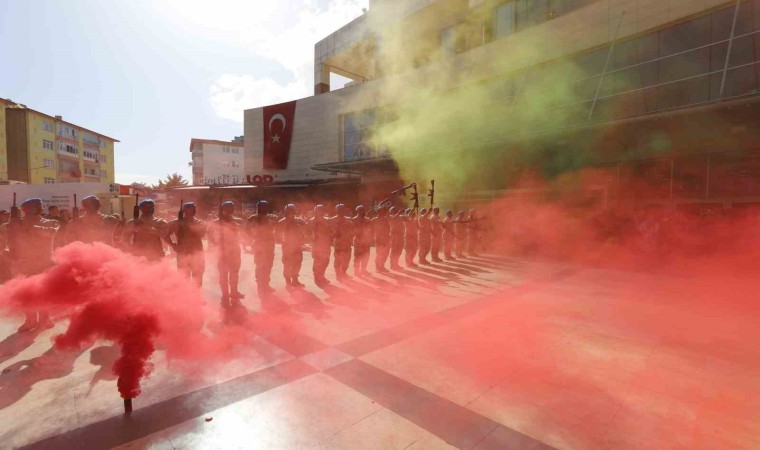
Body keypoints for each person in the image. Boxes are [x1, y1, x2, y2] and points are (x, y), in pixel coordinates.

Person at [6, 198, 59, 331]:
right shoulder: (16, 223)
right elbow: (7, 238)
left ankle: (45, 319)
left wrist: (26, 225)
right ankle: (30, 320)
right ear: (28, 209)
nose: (41, 207)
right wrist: (12, 224)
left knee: (44, 293)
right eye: (37, 206)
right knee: (25, 294)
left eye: (41, 205)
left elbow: (50, 233)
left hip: (44, 262)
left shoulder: (51, 222)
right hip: (24, 262)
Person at [211, 201, 243, 306]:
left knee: (234, 272)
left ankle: (234, 292)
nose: (230, 209)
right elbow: (210, 234)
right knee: (223, 274)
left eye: (231, 207)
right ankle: (225, 294)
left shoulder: (236, 221)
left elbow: (240, 231)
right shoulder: (216, 221)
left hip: (234, 249)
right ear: (223, 209)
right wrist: (216, 244)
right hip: (222, 250)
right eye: (228, 207)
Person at [168, 202, 207, 286]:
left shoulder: (199, 223)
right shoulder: (176, 222)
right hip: (183, 254)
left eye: (194, 208)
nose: (193, 210)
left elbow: (201, 234)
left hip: (197, 254)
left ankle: (197, 298)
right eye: (191, 208)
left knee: (198, 279)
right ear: (185, 211)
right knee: (184, 280)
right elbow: (165, 234)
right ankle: (186, 298)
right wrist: (173, 244)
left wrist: (188, 225)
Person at [247, 200, 277, 295]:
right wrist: (253, 237)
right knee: (260, 265)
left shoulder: (271, 218)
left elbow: (277, 228)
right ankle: (260, 286)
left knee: (269, 265)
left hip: (269, 244)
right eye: (262, 206)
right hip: (259, 243)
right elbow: (247, 229)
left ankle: (266, 284)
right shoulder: (252, 218)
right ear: (258, 207)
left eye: (265, 206)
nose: (264, 208)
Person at [280, 204, 306, 289]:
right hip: (287, 246)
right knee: (287, 264)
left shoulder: (298, 221)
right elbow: (277, 234)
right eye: (289, 212)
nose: (291, 213)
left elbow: (305, 229)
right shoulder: (282, 222)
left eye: (292, 211)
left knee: (297, 264)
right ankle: (288, 282)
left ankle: (294, 280)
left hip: (296, 246)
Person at [310, 204, 332, 287]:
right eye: (319, 210)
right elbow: (307, 232)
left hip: (326, 244)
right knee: (318, 261)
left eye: (322, 210)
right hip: (317, 245)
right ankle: (317, 277)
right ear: (316, 211)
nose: (321, 212)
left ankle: (322, 276)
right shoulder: (312, 221)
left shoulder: (327, 220)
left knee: (325, 261)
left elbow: (331, 230)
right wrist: (312, 236)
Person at [332, 204, 353, 281]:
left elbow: (352, 227)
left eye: (342, 210)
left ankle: (344, 272)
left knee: (347, 258)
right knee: (338, 259)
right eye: (339, 210)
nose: (341, 211)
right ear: (337, 211)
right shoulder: (332, 220)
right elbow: (329, 230)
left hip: (347, 242)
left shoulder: (348, 219)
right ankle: (338, 274)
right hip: (338, 243)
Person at [353, 205, 372, 276]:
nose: (362, 212)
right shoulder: (354, 219)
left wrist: (367, 223)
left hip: (366, 240)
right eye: (361, 210)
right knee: (357, 256)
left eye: (363, 210)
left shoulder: (367, 219)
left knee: (366, 256)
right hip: (358, 240)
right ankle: (356, 271)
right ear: (357, 211)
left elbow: (370, 229)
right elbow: (352, 229)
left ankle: (363, 270)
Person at [373, 206, 391, 272]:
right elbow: (371, 229)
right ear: (377, 212)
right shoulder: (374, 220)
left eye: (382, 211)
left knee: (385, 253)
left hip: (385, 238)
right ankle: (377, 267)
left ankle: (382, 266)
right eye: (380, 211)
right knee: (379, 253)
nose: (381, 213)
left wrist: (388, 235)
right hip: (378, 239)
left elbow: (388, 228)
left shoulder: (385, 219)